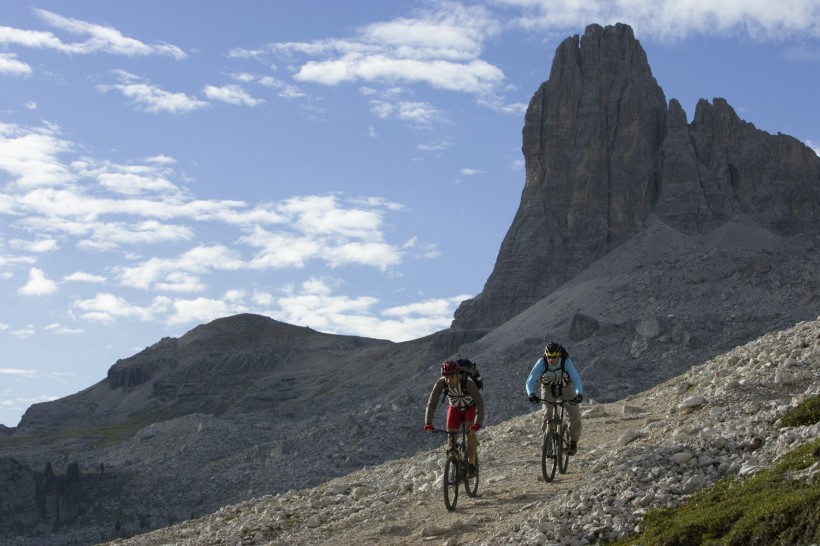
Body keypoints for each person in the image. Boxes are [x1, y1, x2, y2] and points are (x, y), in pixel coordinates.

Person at [424, 359, 485, 477]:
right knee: (451, 435)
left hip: (469, 408)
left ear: (458, 374)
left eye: (451, 377)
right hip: (454, 408)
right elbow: (432, 402)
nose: (448, 380)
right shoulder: (441, 383)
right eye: (446, 377)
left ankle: (471, 464)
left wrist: (477, 423)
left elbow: (480, 403)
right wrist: (428, 422)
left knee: (470, 432)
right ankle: (455, 464)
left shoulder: (468, 383)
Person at [525, 342, 584, 455]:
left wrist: (579, 394)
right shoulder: (541, 363)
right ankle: (547, 440)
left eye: (554, 357)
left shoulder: (566, 362)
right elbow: (530, 381)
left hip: (566, 388)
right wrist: (531, 394)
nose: (551, 360)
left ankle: (573, 442)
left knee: (575, 415)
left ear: (559, 356)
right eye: (549, 357)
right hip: (548, 388)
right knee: (547, 415)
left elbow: (576, 379)